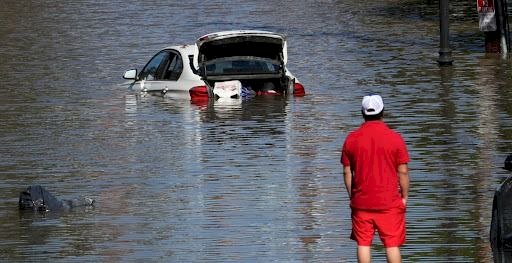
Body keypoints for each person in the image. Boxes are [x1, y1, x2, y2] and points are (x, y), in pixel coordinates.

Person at [340, 94, 410, 263]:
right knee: (391, 245)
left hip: (361, 202)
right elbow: (403, 172)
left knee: (363, 244)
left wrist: (353, 195)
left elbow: (347, 172)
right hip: (389, 201)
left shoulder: (351, 139)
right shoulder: (395, 138)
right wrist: (404, 197)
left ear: (362, 114)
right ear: (382, 112)